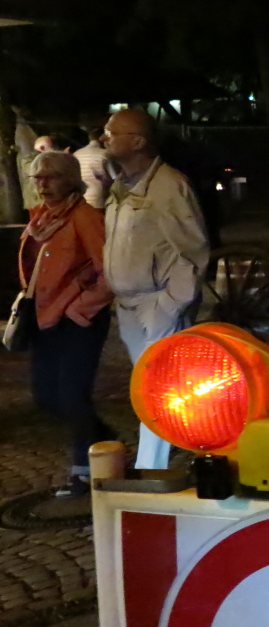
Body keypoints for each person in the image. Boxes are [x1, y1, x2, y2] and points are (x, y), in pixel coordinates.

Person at [102, 109, 210, 470]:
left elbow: (192, 250)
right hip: (130, 305)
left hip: (156, 304)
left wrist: (171, 303)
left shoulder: (168, 186)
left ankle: (151, 470)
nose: (105, 137)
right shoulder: (119, 187)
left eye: (112, 132)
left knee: (155, 390)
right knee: (155, 389)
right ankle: (199, 442)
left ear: (138, 141)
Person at [18, 152, 115, 496]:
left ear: (72, 179)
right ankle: (104, 442)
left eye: (52, 177)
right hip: (45, 319)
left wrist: (80, 308)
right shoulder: (42, 218)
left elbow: (110, 271)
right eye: (38, 178)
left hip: (77, 320)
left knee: (73, 396)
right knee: (46, 396)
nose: (43, 184)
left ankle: (84, 472)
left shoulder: (84, 217)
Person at [74, 127, 110, 210]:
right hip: (99, 199)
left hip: (80, 199)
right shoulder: (105, 154)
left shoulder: (77, 153)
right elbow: (111, 179)